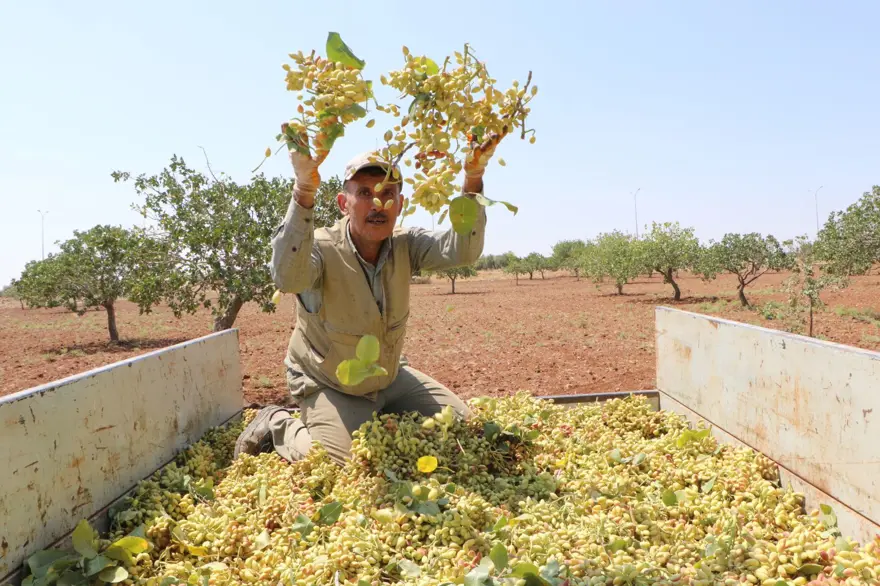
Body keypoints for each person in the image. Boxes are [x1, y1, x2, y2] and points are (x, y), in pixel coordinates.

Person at [234, 129, 504, 465]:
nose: (378, 204)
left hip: (388, 376)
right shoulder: (320, 249)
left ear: (401, 204)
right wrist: (304, 190)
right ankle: (277, 423)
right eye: (364, 193)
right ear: (343, 203)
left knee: (468, 430)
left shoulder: (408, 244)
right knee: (338, 464)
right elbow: (287, 276)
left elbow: (462, 250)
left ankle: (381, 409)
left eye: (388, 193)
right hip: (328, 382)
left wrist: (473, 177)